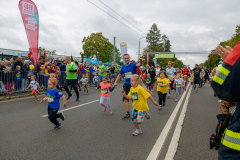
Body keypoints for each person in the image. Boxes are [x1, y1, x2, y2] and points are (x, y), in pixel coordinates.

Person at [113, 54, 143, 119]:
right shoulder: (123, 67)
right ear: (123, 59)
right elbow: (119, 75)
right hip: (126, 85)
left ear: (129, 58)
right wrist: (115, 82)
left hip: (133, 85)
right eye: (125, 58)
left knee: (134, 99)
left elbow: (139, 65)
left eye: (127, 58)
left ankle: (139, 111)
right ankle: (127, 113)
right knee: (125, 99)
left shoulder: (133, 64)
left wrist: (141, 62)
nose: (126, 59)